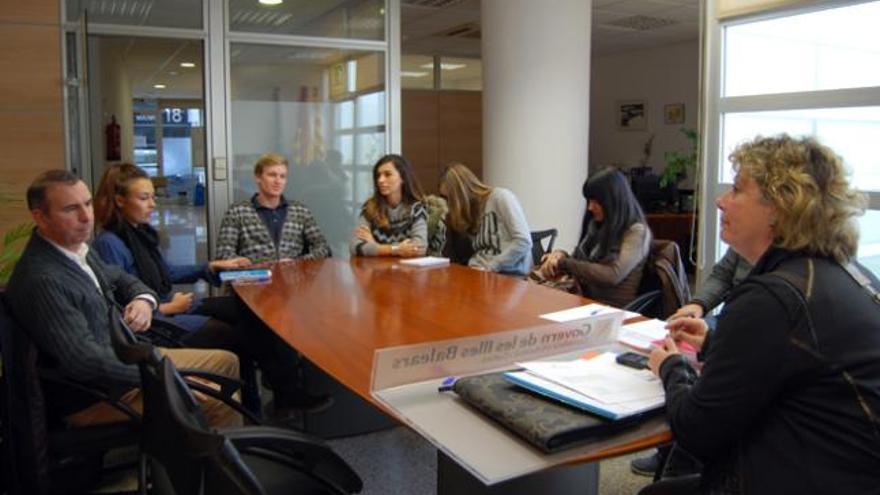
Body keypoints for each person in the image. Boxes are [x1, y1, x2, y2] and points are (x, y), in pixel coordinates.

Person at [644, 135, 880, 494]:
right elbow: (799, 363)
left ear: (781, 207)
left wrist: (669, 367)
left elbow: (696, 430)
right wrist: (714, 342)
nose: (720, 201)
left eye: (737, 190)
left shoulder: (771, 297)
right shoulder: (853, 275)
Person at [5, 170, 240, 428]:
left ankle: (192, 453)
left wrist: (142, 299)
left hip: (126, 356)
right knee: (218, 399)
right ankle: (214, 465)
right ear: (40, 217)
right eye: (71, 209)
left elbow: (119, 277)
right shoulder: (44, 278)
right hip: (99, 394)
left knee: (226, 361)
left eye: (87, 204)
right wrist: (163, 376)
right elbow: (84, 362)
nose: (86, 217)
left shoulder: (75, 250)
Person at [91, 163, 329, 416]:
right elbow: (119, 306)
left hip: (171, 305)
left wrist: (213, 265)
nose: (153, 204)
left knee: (251, 311)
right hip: (158, 320)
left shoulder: (139, 234)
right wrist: (167, 307)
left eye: (152, 197)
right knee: (241, 337)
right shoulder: (111, 244)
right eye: (144, 198)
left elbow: (168, 272)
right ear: (119, 201)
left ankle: (282, 391)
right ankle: (256, 406)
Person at [631, 247, 751, 477]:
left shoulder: (776, 293)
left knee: (682, 365)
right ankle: (668, 450)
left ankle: (681, 454)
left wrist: (670, 367)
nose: (721, 209)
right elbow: (723, 274)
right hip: (729, 317)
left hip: (739, 323)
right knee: (681, 343)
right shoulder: (746, 246)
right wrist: (698, 304)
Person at [538, 167, 651, 307]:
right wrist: (558, 255)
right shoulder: (598, 226)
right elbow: (579, 262)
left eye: (596, 201)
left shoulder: (636, 232)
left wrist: (564, 263)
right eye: (589, 201)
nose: (590, 207)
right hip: (584, 301)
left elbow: (612, 275)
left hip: (610, 309)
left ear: (613, 200)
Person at [216, 153, 331, 263]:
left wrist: (297, 262)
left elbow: (324, 249)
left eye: (282, 176)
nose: (278, 181)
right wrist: (257, 265)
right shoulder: (237, 212)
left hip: (293, 279)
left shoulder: (300, 211)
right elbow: (223, 255)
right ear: (258, 178)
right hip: (254, 280)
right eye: (272, 175)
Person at [438, 162, 532, 275]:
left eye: (450, 199)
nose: (449, 205)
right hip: (477, 271)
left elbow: (523, 241)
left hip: (506, 274)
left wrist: (492, 266)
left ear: (460, 193)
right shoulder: (471, 212)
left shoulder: (500, 198)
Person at [350, 154, 427, 257]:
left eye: (387, 174)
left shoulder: (416, 209)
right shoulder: (370, 208)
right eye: (378, 175)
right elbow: (354, 247)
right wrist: (395, 249)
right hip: (376, 271)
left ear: (402, 178)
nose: (380, 180)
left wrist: (375, 245)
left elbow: (419, 248)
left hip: (407, 271)